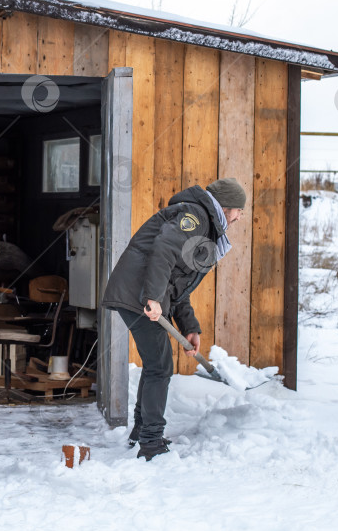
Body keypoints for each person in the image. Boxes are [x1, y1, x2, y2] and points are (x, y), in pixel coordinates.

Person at [101, 178, 246, 461]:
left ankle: (142, 432)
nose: (240, 216)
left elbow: (178, 284)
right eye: (240, 210)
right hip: (139, 296)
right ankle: (151, 442)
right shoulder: (195, 217)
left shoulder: (205, 222)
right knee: (160, 366)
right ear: (227, 207)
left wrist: (189, 327)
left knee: (156, 364)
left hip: (143, 296)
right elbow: (163, 251)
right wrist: (153, 298)